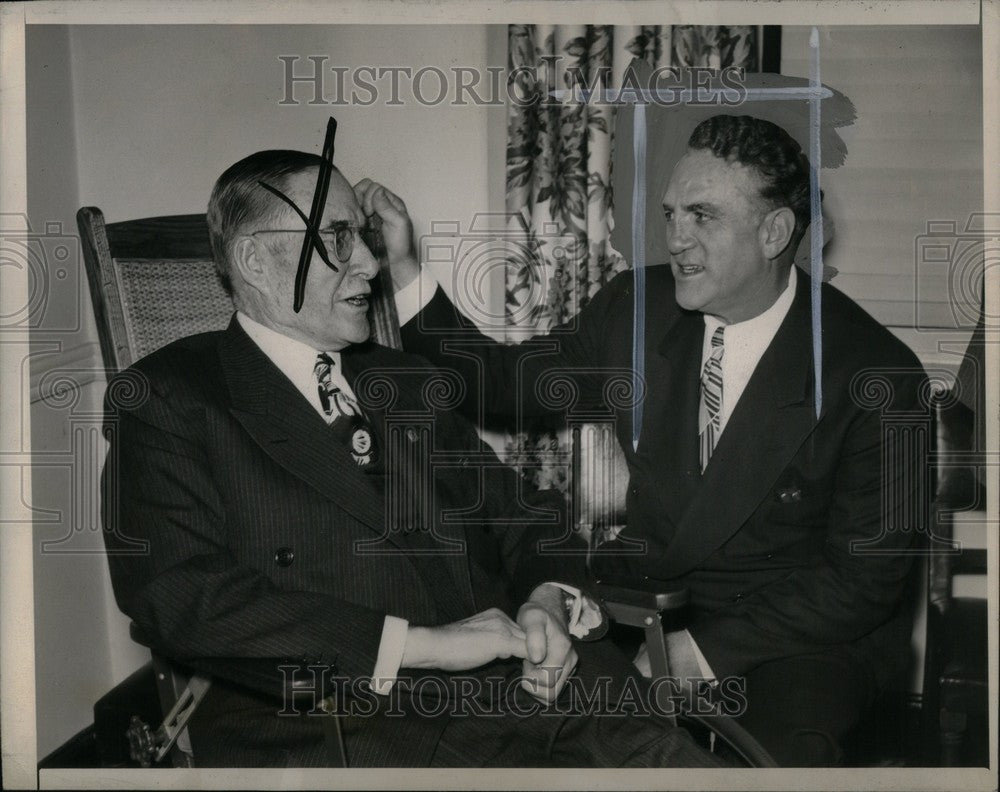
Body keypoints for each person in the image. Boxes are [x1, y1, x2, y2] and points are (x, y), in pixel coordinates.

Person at [100, 149, 720, 768]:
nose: (371, 264)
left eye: (363, 237)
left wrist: (547, 599)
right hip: (353, 725)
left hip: (541, 684)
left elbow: (523, 514)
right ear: (255, 261)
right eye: (339, 239)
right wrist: (423, 646)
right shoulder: (166, 398)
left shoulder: (403, 379)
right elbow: (181, 597)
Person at [380, 114, 930, 766]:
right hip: (647, 603)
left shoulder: (879, 374)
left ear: (775, 231)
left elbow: (859, 583)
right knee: (514, 736)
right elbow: (502, 384)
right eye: (671, 214)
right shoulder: (633, 310)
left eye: (703, 216)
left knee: (776, 762)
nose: (676, 239)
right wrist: (405, 265)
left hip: (799, 639)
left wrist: (694, 658)